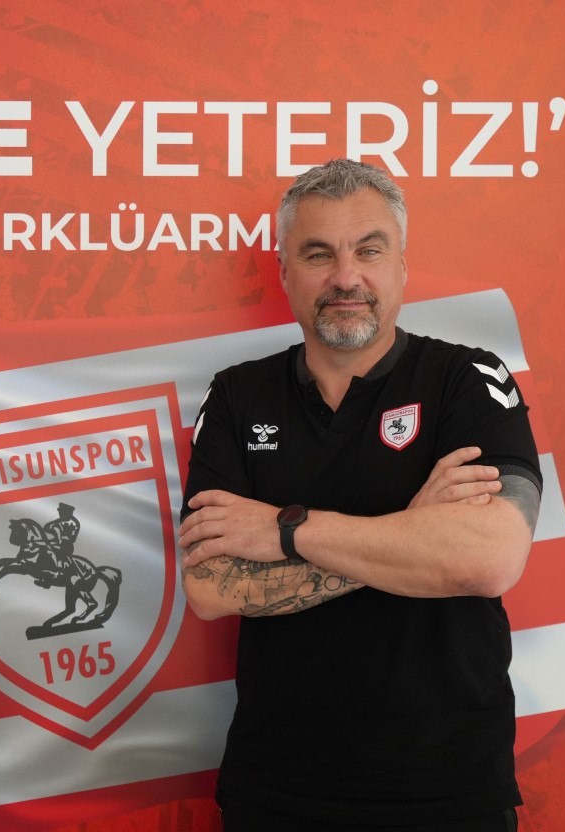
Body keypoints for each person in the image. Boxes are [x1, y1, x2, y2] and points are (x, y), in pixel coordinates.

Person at [178, 159, 542, 831]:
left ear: (401, 264)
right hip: (276, 789)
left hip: (448, 791)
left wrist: (286, 530)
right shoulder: (236, 395)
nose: (346, 277)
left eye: (369, 251)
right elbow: (211, 586)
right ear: (284, 272)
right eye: (318, 254)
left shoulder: (469, 380)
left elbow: (488, 560)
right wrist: (412, 532)